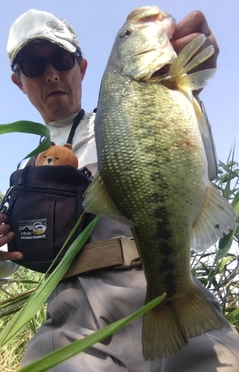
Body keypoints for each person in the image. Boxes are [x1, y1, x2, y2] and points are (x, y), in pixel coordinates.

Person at [0, 8, 239, 372]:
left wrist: (191, 91)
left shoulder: (117, 119)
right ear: (19, 81)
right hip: (71, 324)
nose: (51, 74)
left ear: (81, 68)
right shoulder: (22, 174)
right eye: (33, 65)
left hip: (158, 281)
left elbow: (200, 169)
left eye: (62, 59)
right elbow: (10, 263)